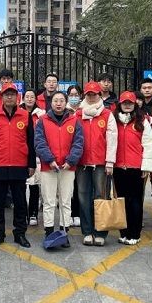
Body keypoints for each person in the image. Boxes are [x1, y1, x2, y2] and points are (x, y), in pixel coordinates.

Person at [0, 82, 36, 248]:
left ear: (17, 97)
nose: (9, 97)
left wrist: (31, 164)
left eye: (12, 94)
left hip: (19, 164)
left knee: (20, 202)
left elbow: (31, 141)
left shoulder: (25, 115)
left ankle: (20, 233)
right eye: (6, 94)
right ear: (1, 97)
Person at [35, 91, 84, 247]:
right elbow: (39, 142)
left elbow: (78, 143)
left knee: (65, 201)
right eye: (55, 100)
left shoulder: (74, 121)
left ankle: (64, 232)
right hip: (48, 167)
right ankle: (49, 232)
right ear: (51, 103)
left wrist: (70, 161)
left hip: (67, 168)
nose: (58, 103)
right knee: (49, 201)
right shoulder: (42, 121)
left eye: (61, 100)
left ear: (66, 102)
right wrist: (49, 160)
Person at [76, 81, 118, 246]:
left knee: (100, 196)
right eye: (89, 94)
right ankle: (87, 231)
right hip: (82, 163)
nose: (91, 97)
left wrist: (110, 161)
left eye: (94, 94)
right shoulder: (78, 114)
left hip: (101, 163)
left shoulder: (107, 114)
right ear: (84, 95)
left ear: (100, 95)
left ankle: (100, 231)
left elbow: (112, 139)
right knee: (83, 196)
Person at [113, 91, 152, 245]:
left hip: (136, 167)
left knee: (135, 201)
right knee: (122, 201)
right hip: (118, 167)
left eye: (130, 103)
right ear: (120, 104)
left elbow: (149, 144)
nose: (127, 105)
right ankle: (124, 232)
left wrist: (146, 166)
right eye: (124, 103)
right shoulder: (114, 120)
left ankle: (135, 233)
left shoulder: (142, 121)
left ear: (134, 104)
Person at [21, 89, 46, 225]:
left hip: (36, 154)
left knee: (34, 186)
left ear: (36, 99)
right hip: (20, 153)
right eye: (27, 96)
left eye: (32, 97)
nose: (29, 99)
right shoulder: (18, 112)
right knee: (21, 187)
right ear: (23, 98)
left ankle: (33, 214)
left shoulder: (41, 114)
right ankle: (22, 213)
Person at [66, 84, 83, 227]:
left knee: (79, 186)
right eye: (71, 95)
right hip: (66, 153)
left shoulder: (85, 110)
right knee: (68, 187)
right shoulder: (63, 110)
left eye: (76, 95)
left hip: (81, 153)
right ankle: (68, 214)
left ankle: (77, 213)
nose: (73, 97)